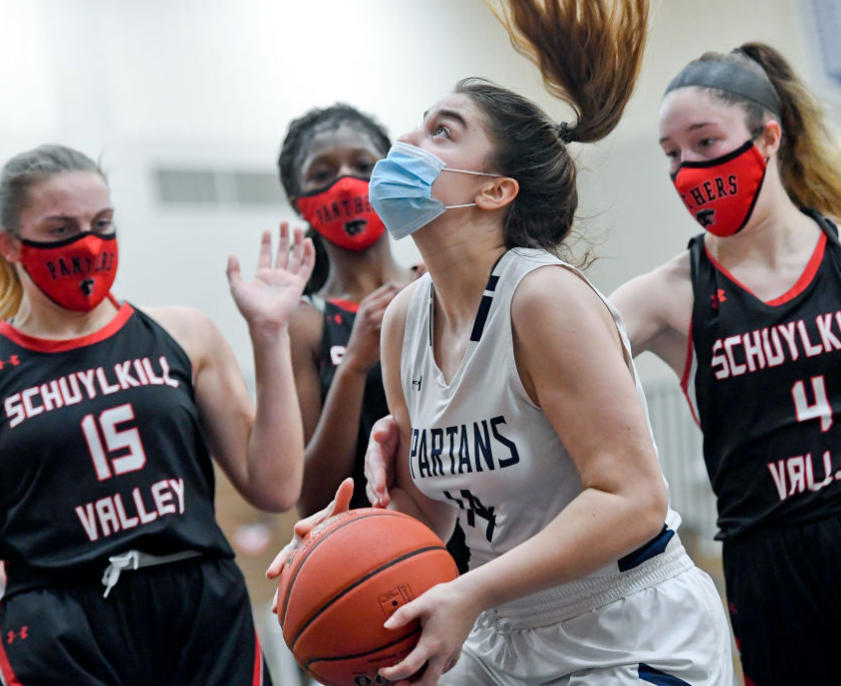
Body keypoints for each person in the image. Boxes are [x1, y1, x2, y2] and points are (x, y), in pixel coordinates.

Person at [368, 39, 841, 684]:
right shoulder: (665, 292)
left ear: (768, 139)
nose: (688, 168)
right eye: (672, 154)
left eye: (706, 143)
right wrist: (411, 451)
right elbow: (527, 369)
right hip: (770, 551)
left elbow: (623, 481)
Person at [269, 1, 734, 684]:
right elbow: (428, 512)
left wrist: (473, 589)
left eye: (442, 131)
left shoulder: (543, 298)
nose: (407, 139)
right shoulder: (404, 320)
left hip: (624, 623)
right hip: (504, 628)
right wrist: (344, 540)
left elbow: (632, 500)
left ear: (494, 190)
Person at [0, 144, 313, 685]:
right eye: (60, 229)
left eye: (102, 222)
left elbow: (276, 487)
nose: (88, 242)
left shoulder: (183, 334)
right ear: (8, 244)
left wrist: (269, 335)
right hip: (59, 628)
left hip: (198, 606)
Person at [278, 104, 418, 516]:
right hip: (369, 552)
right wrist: (354, 364)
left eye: (362, 165)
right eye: (322, 174)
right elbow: (313, 499)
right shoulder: (302, 321)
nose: (345, 183)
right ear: (299, 203)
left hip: (475, 545)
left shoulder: (436, 285)